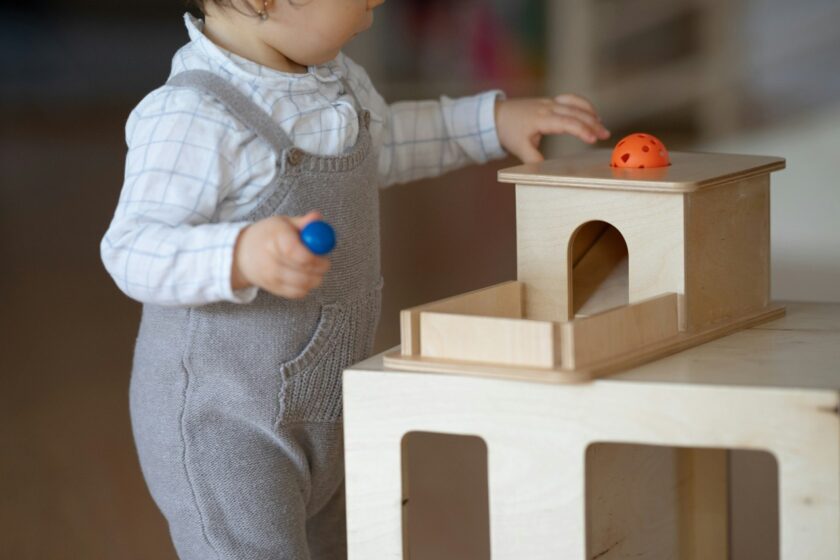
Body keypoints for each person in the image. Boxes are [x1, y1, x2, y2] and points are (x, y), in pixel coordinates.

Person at [100, 0, 610, 558]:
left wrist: (490, 122)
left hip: (327, 405)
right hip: (226, 424)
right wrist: (239, 252)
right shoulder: (193, 115)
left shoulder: (338, 84)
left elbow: (386, 145)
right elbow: (132, 248)